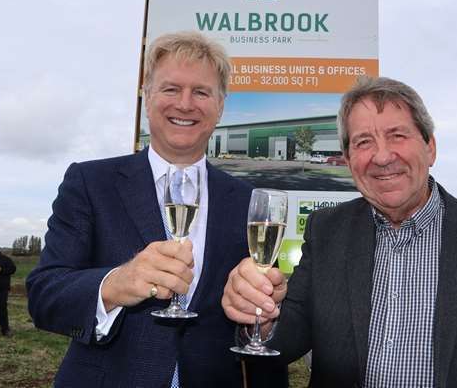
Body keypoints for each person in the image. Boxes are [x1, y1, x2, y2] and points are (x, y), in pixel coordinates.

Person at [223, 76, 457, 387]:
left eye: (397, 135)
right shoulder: (326, 231)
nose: (382, 156)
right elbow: (289, 338)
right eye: (363, 143)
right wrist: (263, 319)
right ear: (348, 160)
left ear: (430, 147)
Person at [26, 31, 287, 387]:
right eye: (170, 89)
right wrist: (116, 283)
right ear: (147, 99)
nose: (185, 104)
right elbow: (45, 295)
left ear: (220, 106)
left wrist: (262, 318)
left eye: (201, 92)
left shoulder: (247, 201)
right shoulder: (90, 182)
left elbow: (256, 323)